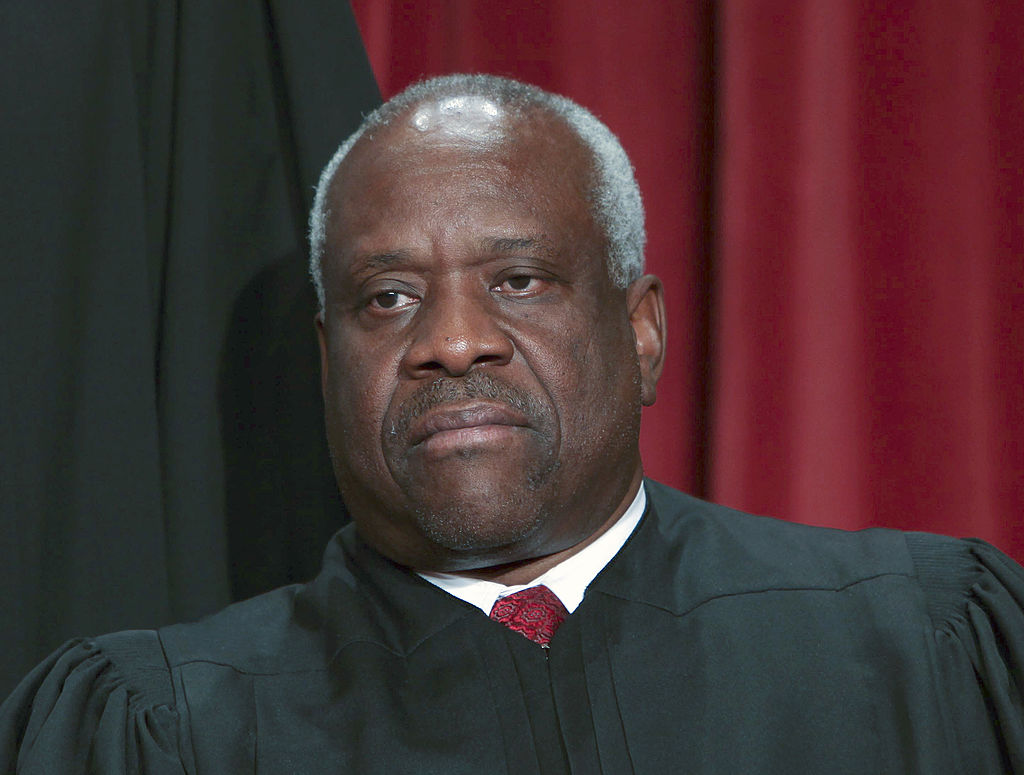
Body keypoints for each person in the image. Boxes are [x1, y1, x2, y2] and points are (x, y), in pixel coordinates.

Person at [2, 73, 1023, 774]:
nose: (451, 340)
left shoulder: (923, 652)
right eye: (388, 297)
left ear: (641, 335)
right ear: (327, 365)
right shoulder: (166, 730)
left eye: (519, 278)